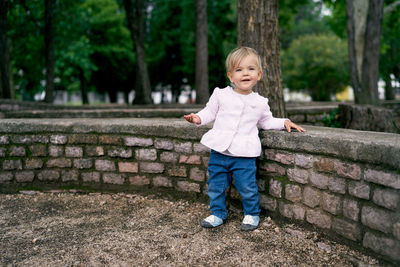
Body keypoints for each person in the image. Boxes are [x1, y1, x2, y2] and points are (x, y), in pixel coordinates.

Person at [184, 47, 306, 231]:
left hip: (244, 155)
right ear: (231, 76)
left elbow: (266, 121)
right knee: (215, 186)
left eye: (250, 69)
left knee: (247, 187)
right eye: (239, 70)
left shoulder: (260, 102)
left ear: (259, 74)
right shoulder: (221, 94)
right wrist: (197, 118)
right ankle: (217, 213)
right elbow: (209, 112)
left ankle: (251, 214)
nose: (245, 73)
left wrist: (284, 122)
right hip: (219, 151)